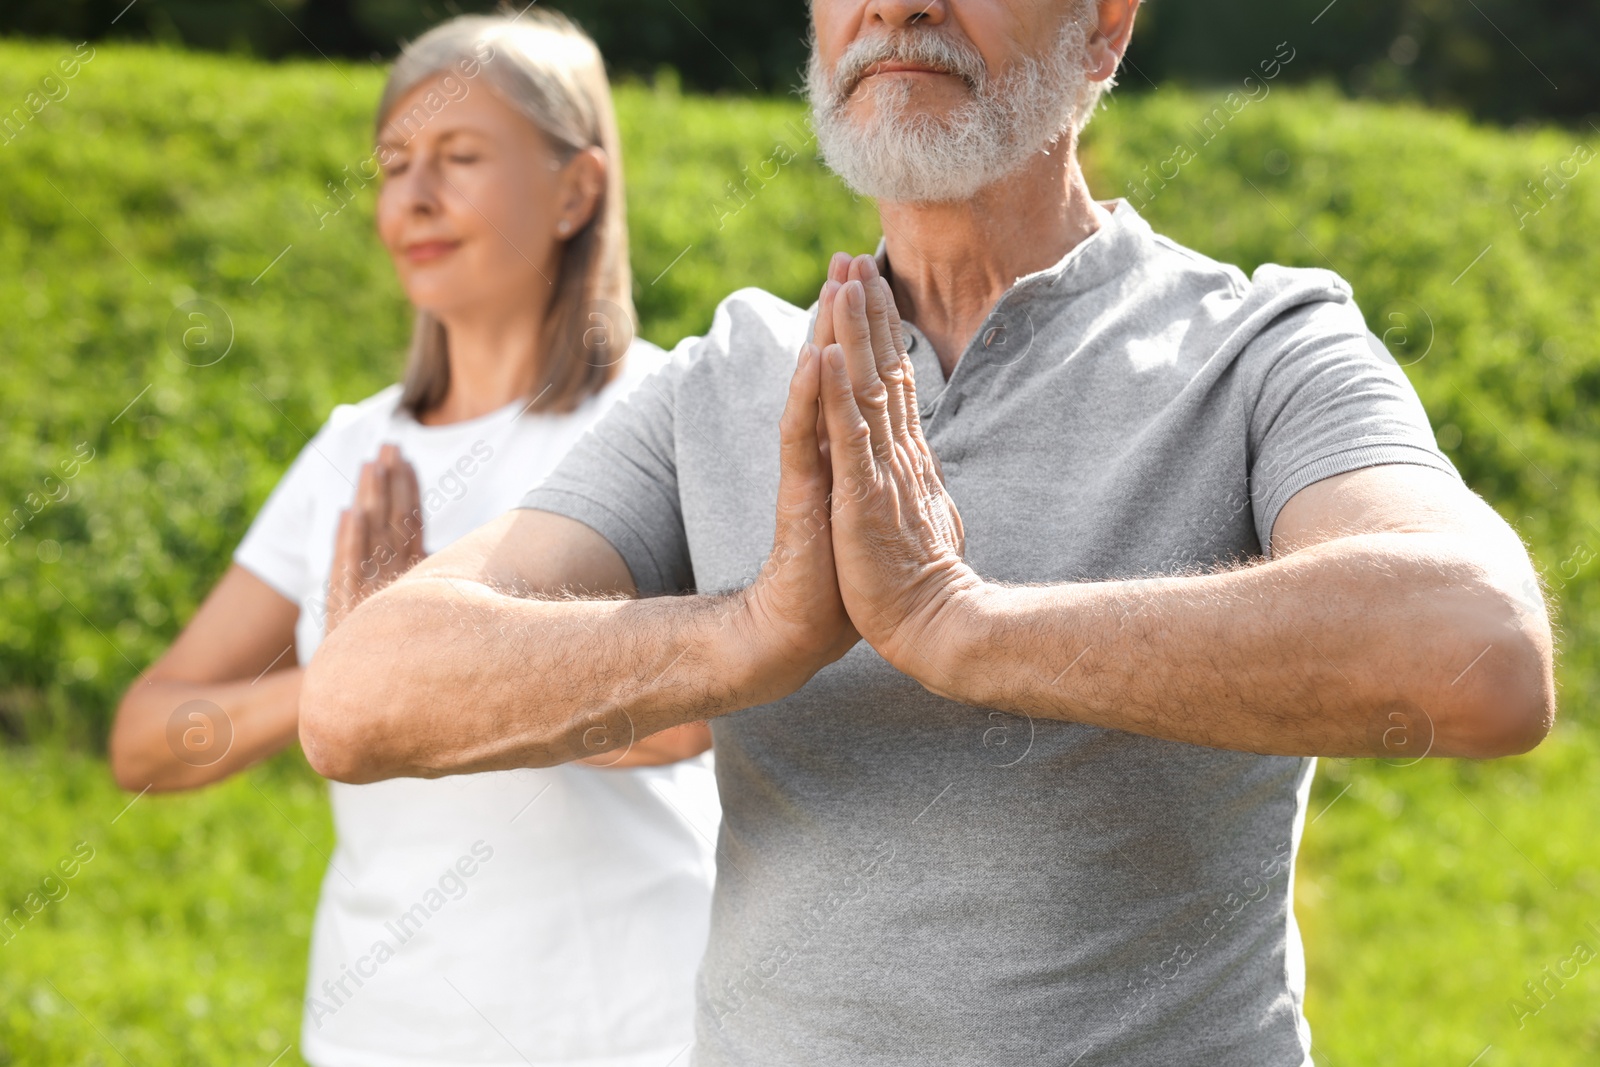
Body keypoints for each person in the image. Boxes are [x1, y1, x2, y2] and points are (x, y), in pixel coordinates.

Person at [301, 1, 1556, 1064]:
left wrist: (962, 625)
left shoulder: (1264, 348)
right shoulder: (724, 380)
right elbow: (360, 696)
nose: (899, 4)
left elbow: (1480, 651)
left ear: (1105, 26)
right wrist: (751, 631)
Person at [109, 13, 718, 1067]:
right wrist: (349, 675)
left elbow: (687, 718)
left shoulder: (665, 412)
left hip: (635, 1025)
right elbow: (149, 738)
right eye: (394, 166)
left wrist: (413, 664)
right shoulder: (352, 450)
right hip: (379, 1031)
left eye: (460, 158)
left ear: (575, 192)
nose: (413, 199)